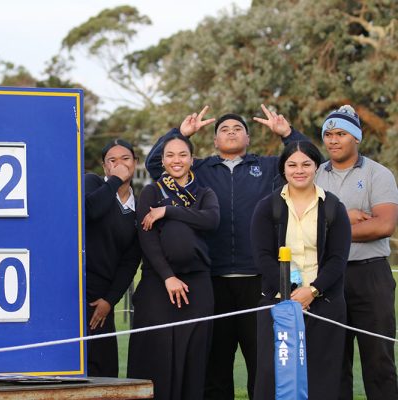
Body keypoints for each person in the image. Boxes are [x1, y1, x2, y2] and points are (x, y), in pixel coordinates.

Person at [145, 105, 308, 399]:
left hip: (257, 277)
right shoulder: (201, 170)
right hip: (213, 278)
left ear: (248, 138)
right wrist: (179, 134)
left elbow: (305, 161)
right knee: (215, 362)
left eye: (237, 129)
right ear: (214, 141)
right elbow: (157, 165)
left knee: (260, 360)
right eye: (223, 129)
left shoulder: (269, 167)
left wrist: (288, 134)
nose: (231, 132)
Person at [250, 140, 351, 399]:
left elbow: (338, 259)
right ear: (283, 168)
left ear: (316, 166)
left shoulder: (333, 207)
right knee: (273, 376)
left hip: (323, 303)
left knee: (321, 377)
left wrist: (312, 291)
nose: (299, 170)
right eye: (292, 164)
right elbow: (263, 256)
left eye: (306, 164)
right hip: (278, 303)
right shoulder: (267, 206)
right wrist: (292, 292)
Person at [127, 133, 220, 400]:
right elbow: (147, 237)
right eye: (170, 155)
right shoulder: (152, 191)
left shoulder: (205, 193)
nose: (176, 160)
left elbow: (211, 220)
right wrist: (168, 276)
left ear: (192, 159)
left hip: (198, 285)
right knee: (156, 355)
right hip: (159, 284)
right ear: (163, 160)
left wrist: (169, 211)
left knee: (194, 356)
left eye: (182, 154)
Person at [315, 105, 398, 400]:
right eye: (328, 134)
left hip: (370, 275)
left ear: (356, 138)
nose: (333, 140)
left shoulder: (379, 174)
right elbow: (304, 226)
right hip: (327, 278)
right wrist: (344, 217)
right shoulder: (313, 176)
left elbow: (384, 224)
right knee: (334, 362)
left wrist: (328, 224)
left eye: (341, 134)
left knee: (379, 361)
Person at [84, 139, 142, 377]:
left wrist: (110, 300)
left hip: (102, 296)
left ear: (135, 163)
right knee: (74, 365)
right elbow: (89, 211)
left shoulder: (139, 206)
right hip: (75, 288)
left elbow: (130, 261)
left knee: (104, 366)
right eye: (112, 160)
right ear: (105, 167)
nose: (119, 164)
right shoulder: (93, 182)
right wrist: (115, 181)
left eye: (125, 159)